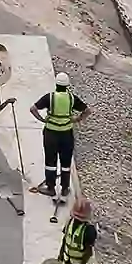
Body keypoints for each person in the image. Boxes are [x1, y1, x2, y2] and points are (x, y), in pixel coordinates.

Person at [28, 72, 84, 202]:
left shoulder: (50, 97)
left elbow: (33, 109)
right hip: (66, 134)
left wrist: (42, 119)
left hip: (51, 133)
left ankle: (51, 188)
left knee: (50, 162)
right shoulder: (72, 98)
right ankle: (65, 189)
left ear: (56, 84)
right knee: (65, 163)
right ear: (67, 85)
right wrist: (77, 119)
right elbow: (87, 110)